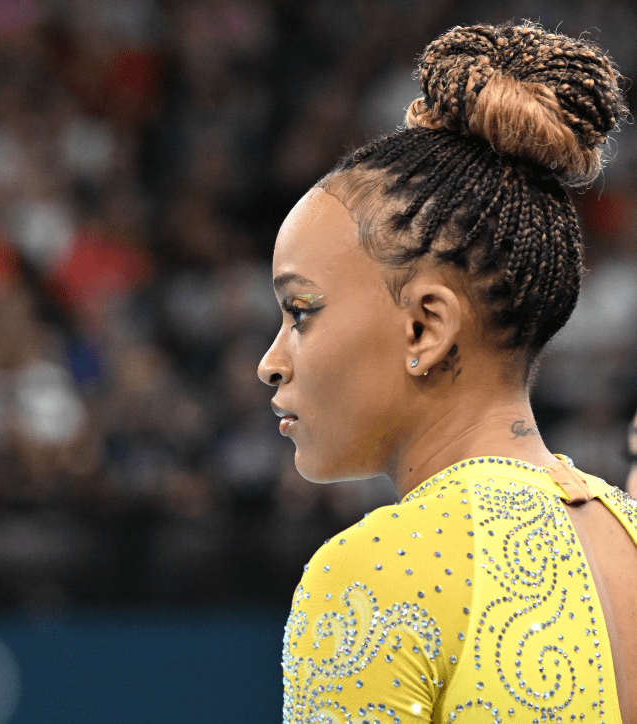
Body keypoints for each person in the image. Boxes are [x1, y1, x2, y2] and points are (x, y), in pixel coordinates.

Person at [259, 23, 637, 723]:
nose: (270, 363)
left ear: (425, 327)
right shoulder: (629, 536)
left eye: (300, 311)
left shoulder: (377, 572)